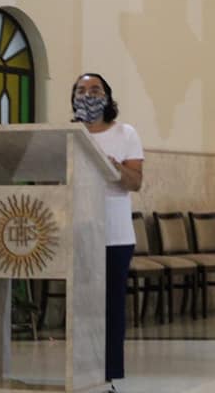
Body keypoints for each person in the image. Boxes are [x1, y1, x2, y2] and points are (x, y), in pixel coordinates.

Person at [71, 73, 143, 392]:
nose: (88, 95)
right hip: (79, 229)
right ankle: (80, 374)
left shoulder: (125, 133)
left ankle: (108, 377)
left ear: (107, 96)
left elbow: (136, 182)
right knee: (81, 306)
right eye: (81, 90)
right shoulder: (70, 135)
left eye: (95, 90)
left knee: (110, 307)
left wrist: (116, 169)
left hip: (115, 233)